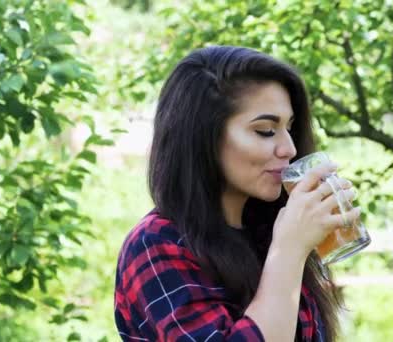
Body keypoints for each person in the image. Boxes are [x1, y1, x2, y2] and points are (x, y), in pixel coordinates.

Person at [114, 46, 360, 342]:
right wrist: (290, 251)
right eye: (266, 131)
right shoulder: (156, 244)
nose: (289, 149)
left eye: (290, 128)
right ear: (203, 136)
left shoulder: (268, 231)